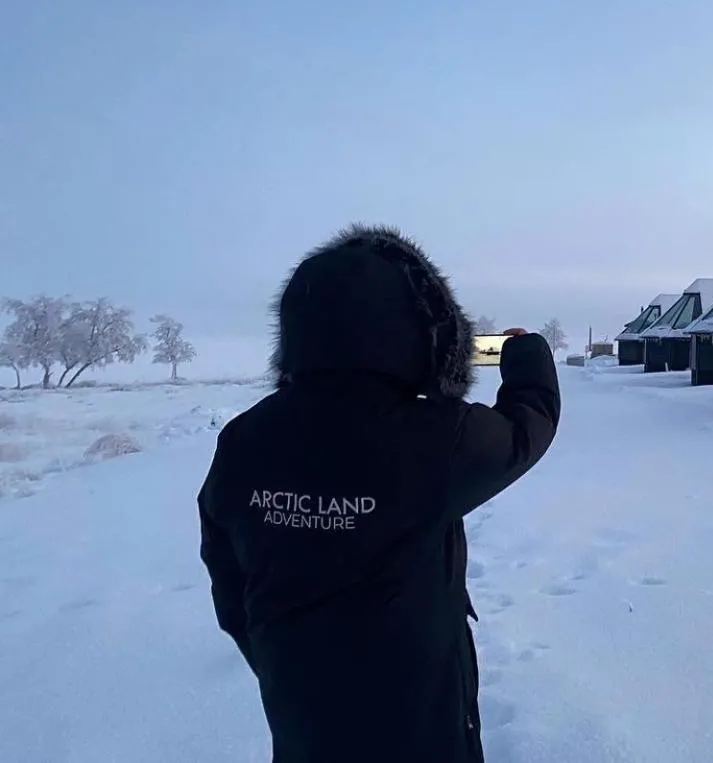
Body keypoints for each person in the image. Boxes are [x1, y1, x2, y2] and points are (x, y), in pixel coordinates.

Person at [197, 226, 561, 762]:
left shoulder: (244, 440)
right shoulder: (438, 437)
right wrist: (526, 354)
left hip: (303, 723)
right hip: (422, 729)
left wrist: (281, 663)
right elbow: (526, 429)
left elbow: (227, 575)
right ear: (424, 334)